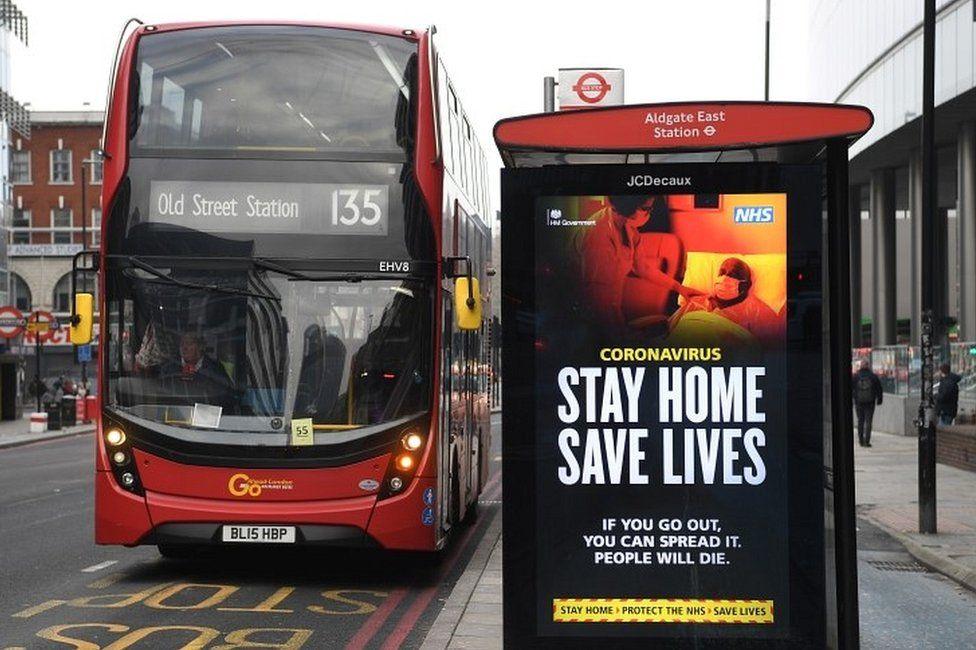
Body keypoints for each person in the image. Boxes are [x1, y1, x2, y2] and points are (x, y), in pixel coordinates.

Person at [581, 195, 697, 329]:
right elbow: (598, 294)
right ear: (628, 206)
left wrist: (680, 288)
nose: (649, 213)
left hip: (613, 312)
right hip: (590, 318)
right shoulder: (598, 232)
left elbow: (643, 268)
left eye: (650, 209)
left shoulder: (630, 230)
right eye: (645, 208)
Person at [682, 257, 783, 344]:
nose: (725, 278)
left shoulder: (759, 313)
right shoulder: (695, 303)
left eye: (733, 275)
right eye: (722, 273)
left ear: (746, 285)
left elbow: (774, 349)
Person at [852, 360, 883, 447]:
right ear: (868, 366)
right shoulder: (873, 376)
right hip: (870, 402)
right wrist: (879, 399)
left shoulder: (856, 376)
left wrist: (854, 398)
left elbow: (851, 388)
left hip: (859, 402)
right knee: (868, 421)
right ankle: (867, 441)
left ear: (860, 366)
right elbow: (879, 389)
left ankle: (861, 441)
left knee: (860, 421)